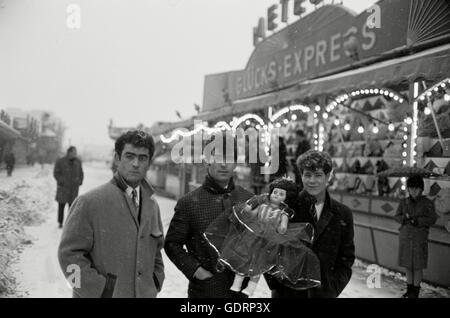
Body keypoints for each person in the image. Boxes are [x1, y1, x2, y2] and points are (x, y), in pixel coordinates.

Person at [58, 131, 164, 298]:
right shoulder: (89, 202)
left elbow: (156, 251)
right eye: (129, 156)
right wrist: (100, 291)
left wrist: (156, 280)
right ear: (117, 158)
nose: (136, 163)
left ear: (149, 162)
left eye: (142, 158)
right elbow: (68, 257)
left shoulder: (152, 206)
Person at [164, 134, 254, 298]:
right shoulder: (189, 202)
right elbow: (172, 244)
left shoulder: (247, 199)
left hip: (240, 295)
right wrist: (197, 271)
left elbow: (258, 242)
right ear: (207, 160)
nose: (223, 164)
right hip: (204, 293)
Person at [205, 178, 320, 297]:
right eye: (275, 192)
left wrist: (281, 229)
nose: (276, 195)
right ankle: (236, 284)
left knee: (259, 264)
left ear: (286, 198)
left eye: (281, 194)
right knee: (243, 258)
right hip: (252, 235)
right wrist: (248, 211)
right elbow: (252, 215)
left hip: (267, 241)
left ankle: (251, 287)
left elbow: (283, 227)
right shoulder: (262, 205)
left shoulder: (283, 212)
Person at [265, 150, 355, 298]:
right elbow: (267, 248)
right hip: (287, 293)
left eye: (318, 175)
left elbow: (346, 257)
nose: (312, 181)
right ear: (301, 176)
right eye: (307, 175)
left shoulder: (342, 213)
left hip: (323, 292)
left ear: (328, 176)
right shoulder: (286, 207)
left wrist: (332, 288)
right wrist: (276, 285)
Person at [394, 175, 437, 298]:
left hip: (419, 238)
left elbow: (432, 219)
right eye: (411, 188)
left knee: (417, 266)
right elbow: (396, 216)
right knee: (408, 265)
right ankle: (409, 289)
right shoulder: (404, 202)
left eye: (416, 189)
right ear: (408, 189)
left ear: (421, 189)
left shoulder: (427, 203)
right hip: (406, 237)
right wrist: (404, 218)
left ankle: (415, 292)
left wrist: (418, 221)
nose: (413, 191)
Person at [53, 146, 84, 228]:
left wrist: (80, 181)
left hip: (73, 188)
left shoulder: (78, 162)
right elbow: (56, 173)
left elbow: (81, 173)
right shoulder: (60, 161)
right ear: (69, 152)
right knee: (61, 206)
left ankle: (70, 223)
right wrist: (61, 180)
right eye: (74, 152)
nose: (75, 154)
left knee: (72, 206)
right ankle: (60, 222)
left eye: (75, 152)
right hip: (63, 187)